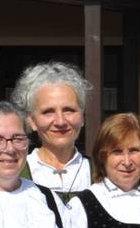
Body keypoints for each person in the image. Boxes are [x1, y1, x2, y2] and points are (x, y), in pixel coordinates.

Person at [15, 61, 94, 196]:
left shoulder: (101, 172)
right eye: (48, 112)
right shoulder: (15, 175)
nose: (60, 121)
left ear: (82, 117)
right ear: (32, 121)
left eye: (69, 110)